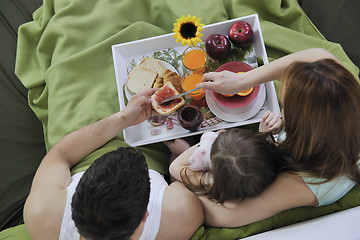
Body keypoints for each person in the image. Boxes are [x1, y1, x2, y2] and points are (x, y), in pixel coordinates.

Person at [181, 48, 360, 227]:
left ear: (302, 129)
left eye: (285, 107)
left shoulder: (308, 182)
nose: (281, 110)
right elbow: (318, 55)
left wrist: (202, 164)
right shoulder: (343, 93)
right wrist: (242, 80)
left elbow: (225, 215)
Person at [23, 88, 204, 240]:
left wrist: (123, 118)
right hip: (155, 145)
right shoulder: (181, 215)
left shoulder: (41, 214)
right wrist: (178, 154)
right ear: (145, 215)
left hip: (86, 136)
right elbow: (179, 175)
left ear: (76, 202)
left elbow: (60, 154)